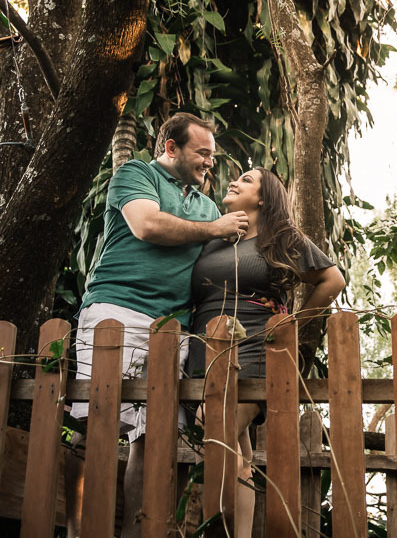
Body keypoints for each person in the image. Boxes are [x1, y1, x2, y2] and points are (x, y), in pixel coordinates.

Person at [66, 112, 250, 538]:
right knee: (97, 424)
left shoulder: (206, 206)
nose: (210, 162)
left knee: (151, 440)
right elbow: (146, 225)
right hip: (117, 312)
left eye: (212, 154)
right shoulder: (136, 175)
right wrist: (214, 228)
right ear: (171, 147)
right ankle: (79, 532)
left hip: (172, 330)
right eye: (202, 152)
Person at [188, 167, 345, 537]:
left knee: (212, 427)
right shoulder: (216, 237)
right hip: (207, 345)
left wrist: (294, 323)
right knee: (238, 452)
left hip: (256, 344)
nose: (234, 181)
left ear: (262, 198)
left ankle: (215, 529)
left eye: (246, 179)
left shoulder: (282, 238)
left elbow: (332, 279)